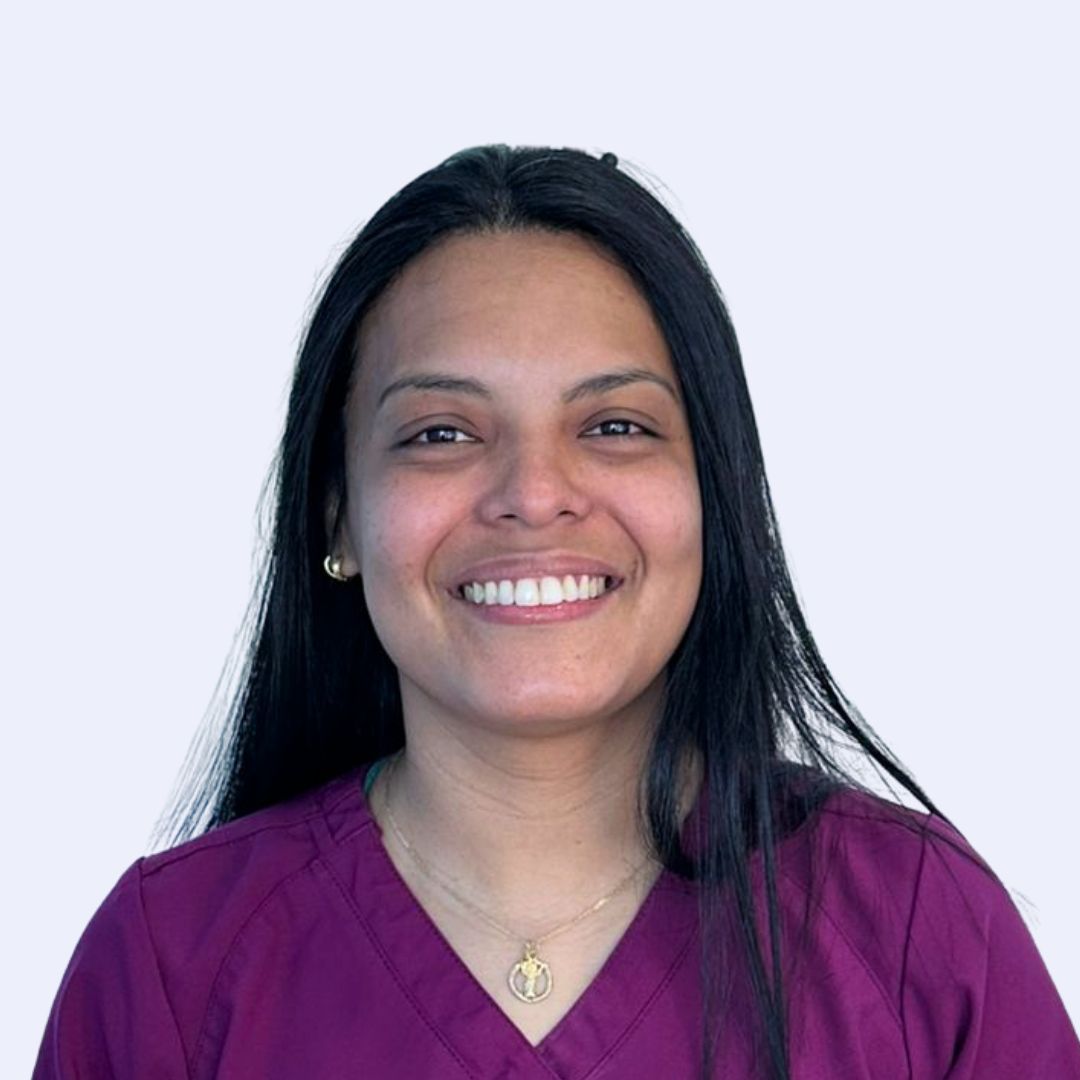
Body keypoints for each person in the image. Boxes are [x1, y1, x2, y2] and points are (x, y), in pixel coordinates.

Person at [32, 145, 1080, 1079]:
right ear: (338, 516)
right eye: (441, 434)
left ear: (714, 493)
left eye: (615, 425)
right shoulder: (170, 963)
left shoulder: (915, 934)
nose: (534, 495)